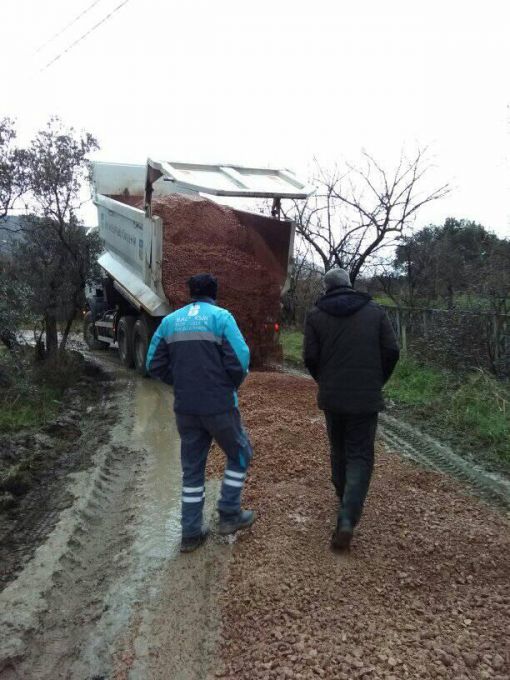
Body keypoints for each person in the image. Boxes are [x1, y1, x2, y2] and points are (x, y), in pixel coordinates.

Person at [146, 273, 255, 553]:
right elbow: (240, 360)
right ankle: (229, 514)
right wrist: (227, 384)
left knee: (192, 470)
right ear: (214, 293)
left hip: (186, 408)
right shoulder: (221, 318)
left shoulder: (169, 322)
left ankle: (191, 533)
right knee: (240, 453)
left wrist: (181, 383)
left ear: (189, 293)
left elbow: (153, 363)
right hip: (218, 406)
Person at [303, 268, 399, 551]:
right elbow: (392, 351)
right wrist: (377, 379)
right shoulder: (374, 311)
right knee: (360, 454)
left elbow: (309, 356)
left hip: (333, 396)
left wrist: (325, 379)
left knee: (339, 448)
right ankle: (347, 516)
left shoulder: (316, 316)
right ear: (349, 285)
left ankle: (343, 496)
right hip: (366, 397)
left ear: (326, 288)